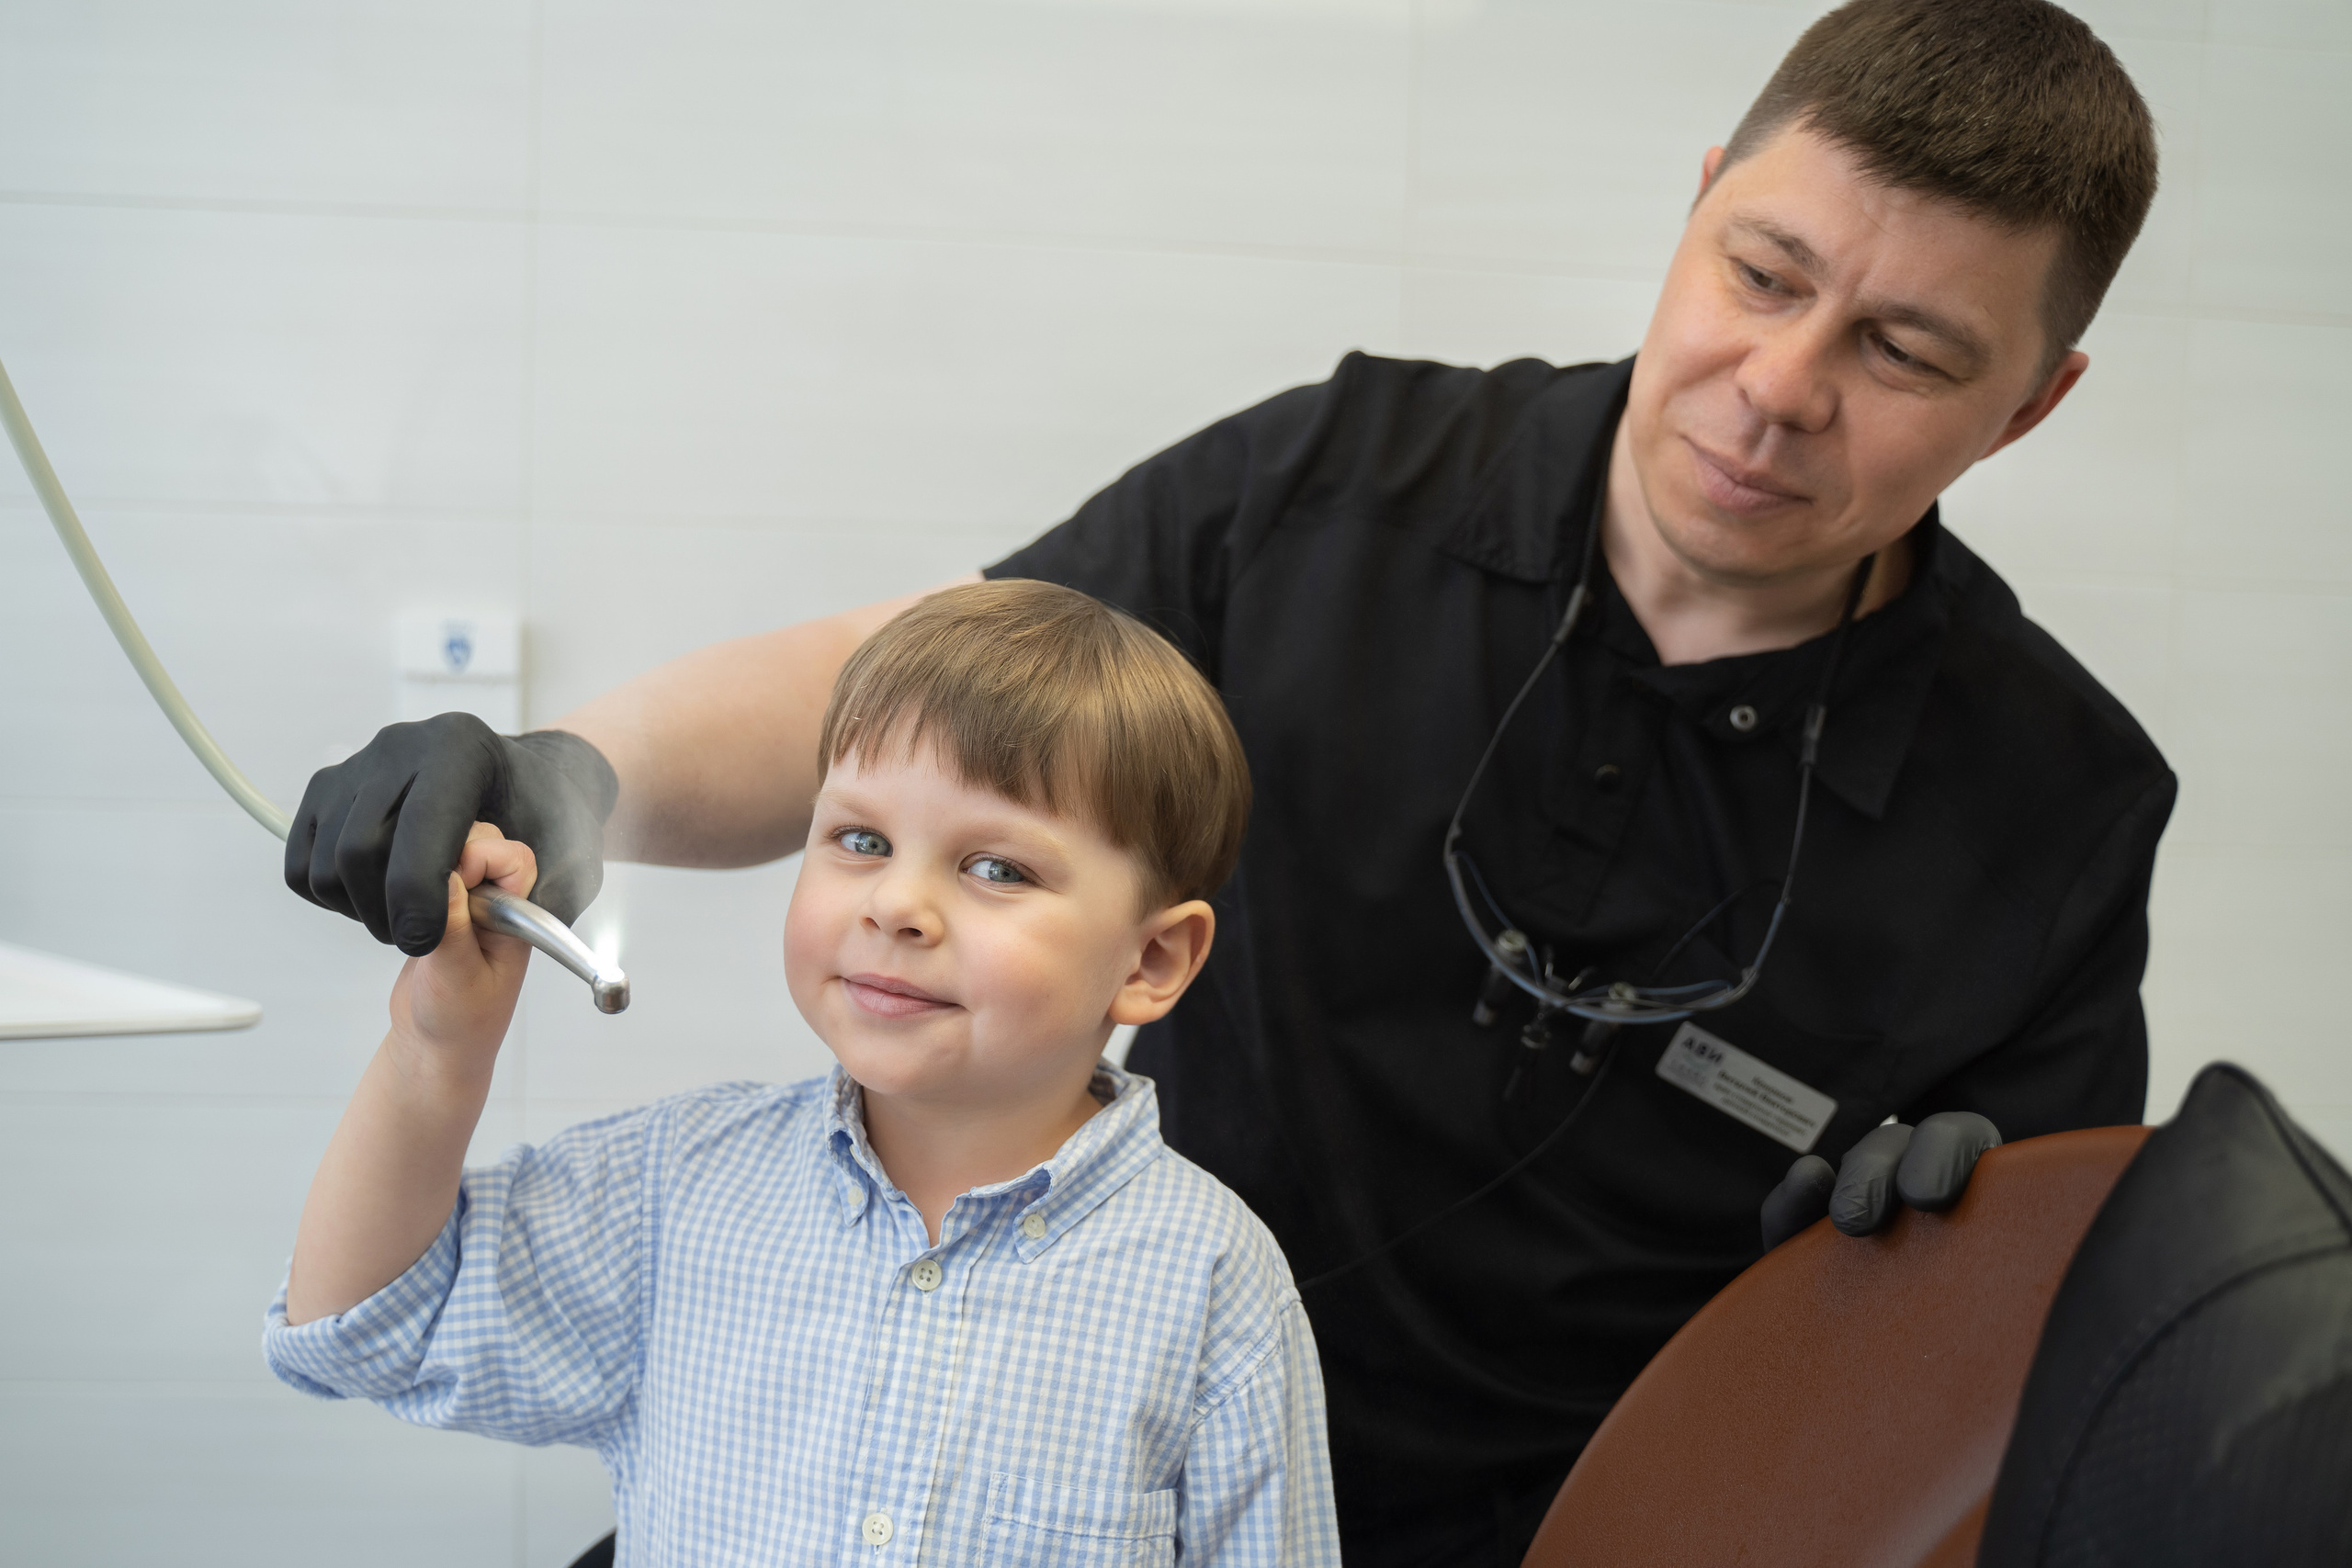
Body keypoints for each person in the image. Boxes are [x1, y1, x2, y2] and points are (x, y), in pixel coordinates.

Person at [282, 2, 2174, 1562]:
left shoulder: (2054, 809)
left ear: (2030, 401)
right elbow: (919, 679)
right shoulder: (1327, 492)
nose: (1776, 383)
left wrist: (1918, 1283)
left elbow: (2003, 1365)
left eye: (1903, 350)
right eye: (1758, 272)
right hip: (1020, 1447)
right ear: (1694, 209)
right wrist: (567, 769)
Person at [264, 581, 1340, 1566]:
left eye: (994, 867)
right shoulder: (679, 1190)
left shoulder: (1213, 1284)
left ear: (1151, 959)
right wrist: (438, 1049)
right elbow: (357, 1328)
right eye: (860, 841)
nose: (895, 905)